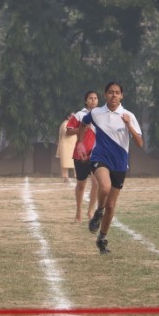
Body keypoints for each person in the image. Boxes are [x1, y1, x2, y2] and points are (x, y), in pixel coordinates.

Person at [76, 81, 143, 254]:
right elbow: (82, 124)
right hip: (100, 158)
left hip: (119, 164)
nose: (114, 95)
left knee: (111, 206)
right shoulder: (96, 113)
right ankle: (98, 211)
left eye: (117, 92)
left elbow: (140, 143)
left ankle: (102, 239)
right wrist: (80, 143)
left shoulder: (128, 115)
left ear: (122, 96)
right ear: (105, 95)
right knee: (104, 186)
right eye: (111, 92)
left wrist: (128, 125)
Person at [66, 91, 100, 223]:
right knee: (81, 185)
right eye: (90, 98)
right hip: (80, 154)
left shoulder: (102, 115)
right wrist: (83, 128)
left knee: (97, 183)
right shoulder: (79, 115)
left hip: (97, 154)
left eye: (95, 98)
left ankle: (91, 211)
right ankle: (78, 213)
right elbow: (68, 131)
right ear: (86, 101)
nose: (93, 100)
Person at [56, 113, 76, 182]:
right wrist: (78, 130)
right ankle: (65, 177)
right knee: (65, 163)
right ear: (68, 117)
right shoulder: (65, 124)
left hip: (73, 145)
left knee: (76, 161)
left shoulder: (74, 124)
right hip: (66, 146)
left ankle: (78, 176)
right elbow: (68, 133)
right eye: (72, 116)